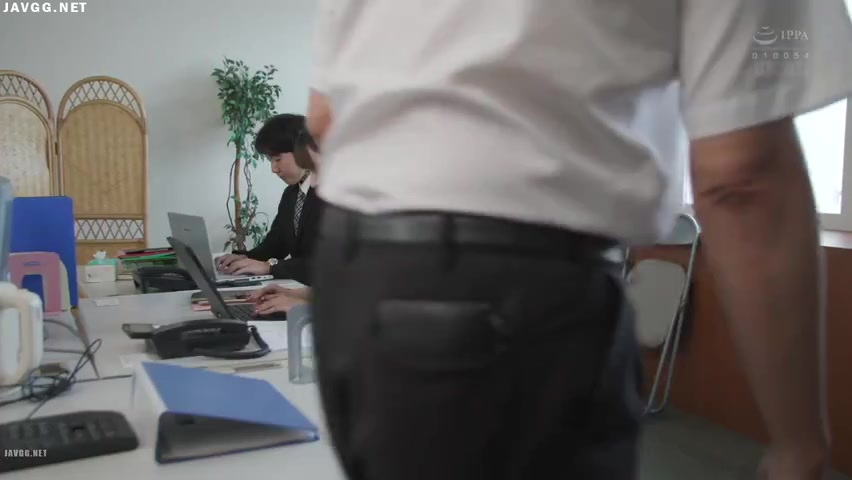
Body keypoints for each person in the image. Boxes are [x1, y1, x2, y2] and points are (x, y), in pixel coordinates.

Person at [305, 0, 852, 479]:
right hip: (511, 292)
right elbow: (742, 177)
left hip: (355, 271)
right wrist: (799, 441)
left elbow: (324, 117)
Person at [216, 113, 321, 285]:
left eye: (278, 159)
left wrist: (271, 267)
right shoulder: (291, 194)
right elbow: (274, 246)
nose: (274, 169)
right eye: (270, 160)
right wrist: (242, 258)